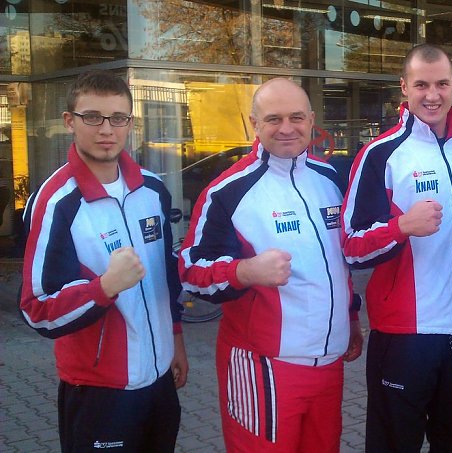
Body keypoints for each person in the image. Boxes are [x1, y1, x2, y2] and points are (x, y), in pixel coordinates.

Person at [179, 78, 363, 453]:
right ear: (254, 124)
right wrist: (243, 271)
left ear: (311, 120)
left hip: (329, 364)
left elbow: (336, 261)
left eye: (296, 117)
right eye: (273, 119)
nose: (286, 128)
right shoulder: (228, 191)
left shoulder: (330, 178)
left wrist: (352, 317)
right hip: (263, 364)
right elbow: (190, 270)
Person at [342, 44, 452, 452]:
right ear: (404, 88)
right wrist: (401, 227)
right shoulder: (381, 155)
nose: (432, 95)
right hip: (403, 338)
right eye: (421, 85)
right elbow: (350, 246)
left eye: (441, 84)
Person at [19, 70, 188, 452]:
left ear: (131, 123)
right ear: (70, 122)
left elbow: (166, 277)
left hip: (160, 377)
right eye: (92, 116)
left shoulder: (152, 189)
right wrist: (105, 287)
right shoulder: (55, 203)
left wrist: (175, 339)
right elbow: (37, 308)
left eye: (118, 118)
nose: (106, 129)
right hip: (99, 391)